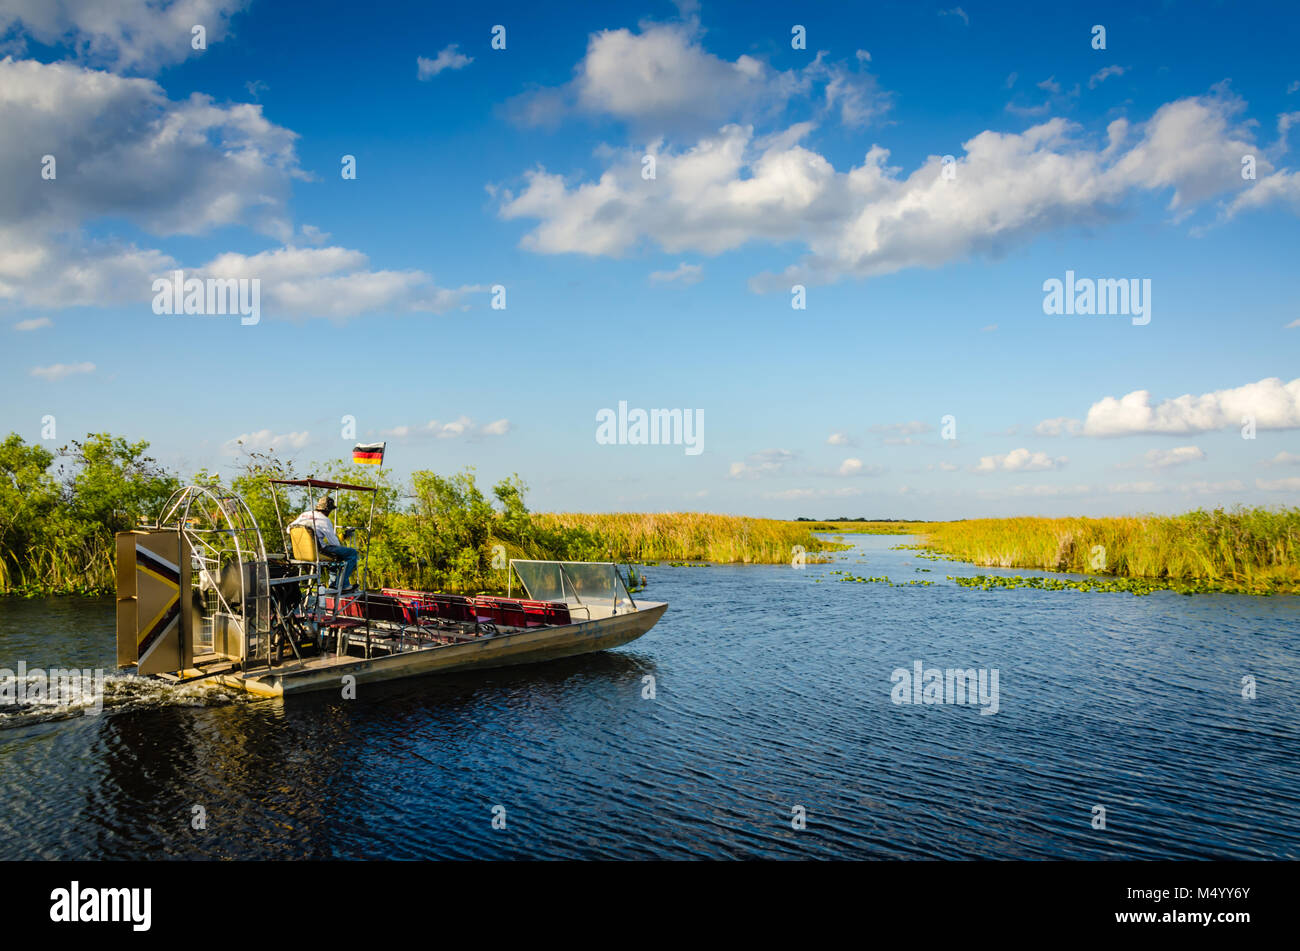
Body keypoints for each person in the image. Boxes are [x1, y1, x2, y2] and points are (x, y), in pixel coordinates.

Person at [290, 496, 359, 593]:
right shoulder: (324, 520)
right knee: (351, 553)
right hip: (317, 552)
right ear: (328, 510)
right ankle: (343, 584)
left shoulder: (304, 515)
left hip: (301, 553)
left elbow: (289, 529)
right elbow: (334, 543)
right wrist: (342, 538)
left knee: (333, 553)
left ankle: (333, 584)